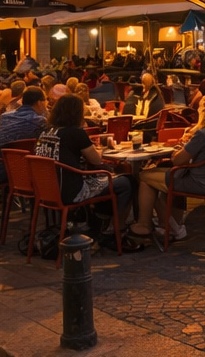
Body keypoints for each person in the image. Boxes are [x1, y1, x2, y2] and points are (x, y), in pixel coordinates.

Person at [37, 93, 146, 250]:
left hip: (46, 191)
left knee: (106, 179)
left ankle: (101, 222)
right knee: (127, 182)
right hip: (71, 192)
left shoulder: (45, 132)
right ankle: (115, 232)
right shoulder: (75, 133)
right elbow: (95, 160)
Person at [138, 90, 205, 241]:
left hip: (200, 184)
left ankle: (144, 225)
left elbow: (178, 161)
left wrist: (177, 153)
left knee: (145, 177)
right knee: (169, 178)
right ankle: (172, 226)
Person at [0, 87, 48, 184]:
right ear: (40, 102)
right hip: (13, 170)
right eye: (46, 100)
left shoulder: (5, 116)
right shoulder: (40, 121)